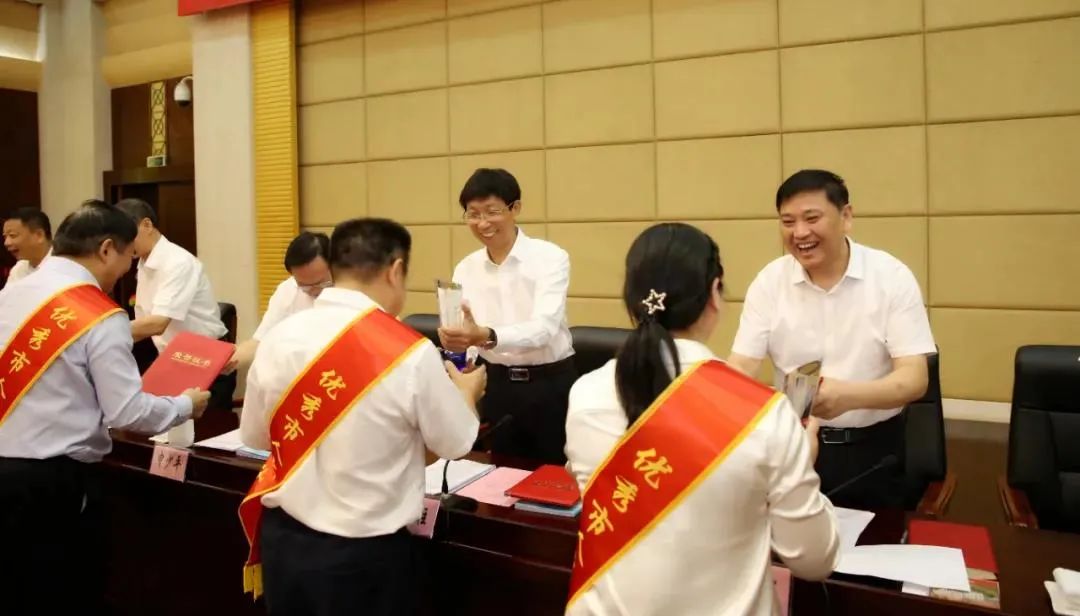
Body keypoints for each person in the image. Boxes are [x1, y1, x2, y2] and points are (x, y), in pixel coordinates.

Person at [565, 223, 839, 615]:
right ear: (714, 293)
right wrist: (802, 462)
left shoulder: (585, 394)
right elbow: (814, 560)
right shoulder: (762, 412)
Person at [239, 218, 485, 616]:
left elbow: (256, 437)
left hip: (286, 545)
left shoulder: (281, 336)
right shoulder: (408, 352)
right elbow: (456, 442)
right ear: (395, 270)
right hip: (365, 558)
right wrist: (468, 394)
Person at [0, 200, 210, 614]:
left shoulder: (11, 295)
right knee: (65, 591)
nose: (128, 269)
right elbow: (127, 413)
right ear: (107, 249)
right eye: (129, 257)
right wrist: (184, 405)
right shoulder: (98, 313)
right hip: (54, 483)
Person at [729, 169, 936, 510]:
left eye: (812, 218)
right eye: (788, 221)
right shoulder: (770, 282)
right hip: (792, 446)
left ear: (846, 217)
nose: (800, 233)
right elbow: (742, 365)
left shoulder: (891, 277)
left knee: (870, 542)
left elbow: (914, 379)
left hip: (873, 453)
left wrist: (847, 396)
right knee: (785, 542)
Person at [439, 168, 575, 464]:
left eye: (492, 212)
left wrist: (487, 335)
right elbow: (468, 328)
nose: (483, 223)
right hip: (497, 384)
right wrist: (460, 347)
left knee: (554, 479)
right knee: (500, 475)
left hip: (549, 384)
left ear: (515, 208)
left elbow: (545, 328)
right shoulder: (465, 268)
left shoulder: (550, 257)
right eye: (473, 214)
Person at [115, 199, 233, 408]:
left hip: (205, 362)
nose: (123, 244)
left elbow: (158, 323)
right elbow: (142, 327)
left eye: (126, 236)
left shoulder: (178, 262)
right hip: (172, 360)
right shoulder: (144, 264)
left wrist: (103, 331)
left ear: (147, 225)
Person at [226, 231, 331, 373]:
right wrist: (225, 361)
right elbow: (261, 341)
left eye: (320, 283)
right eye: (303, 286)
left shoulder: (353, 292)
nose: (312, 291)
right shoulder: (288, 290)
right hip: (298, 374)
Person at [2, 206, 52, 285]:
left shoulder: (63, 265)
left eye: (12, 235)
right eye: (5, 237)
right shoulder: (19, 268)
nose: (6, 243)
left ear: (39, 235)